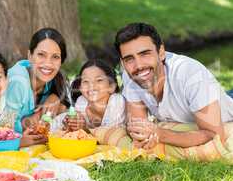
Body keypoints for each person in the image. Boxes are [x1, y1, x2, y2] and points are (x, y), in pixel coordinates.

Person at [114, 22, 233, 161]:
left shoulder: (191, 74)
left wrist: (160, 134)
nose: (138, 65)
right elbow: (138, 126)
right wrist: (142, 134)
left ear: (161, 52)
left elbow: (214, 134)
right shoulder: (130, 75)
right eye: (129, 59)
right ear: (122, 63)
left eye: (145, 54)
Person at [5, 27, 68, 147]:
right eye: (41, 55)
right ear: (30, 55)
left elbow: (65, 107)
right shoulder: (18, 82)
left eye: (55, 57)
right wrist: (35, 118)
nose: (48, 63)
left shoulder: (52, 80)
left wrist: (55, 98)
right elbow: (4, 127)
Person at [52, 60, 131, 149]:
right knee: (61, 120)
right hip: (93, 136)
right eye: (86, 81)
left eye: (99, 80)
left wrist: (84, 129)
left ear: (111, 86)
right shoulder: (82, 101)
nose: (91, 85)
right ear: (80, 87)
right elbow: (78, 125)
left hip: (117, 137)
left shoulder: (117, 101)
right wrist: (72, 123)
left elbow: (109, 134)